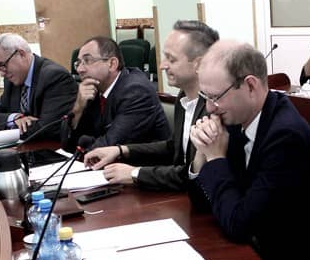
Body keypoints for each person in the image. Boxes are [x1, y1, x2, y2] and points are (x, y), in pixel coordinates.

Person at [189, 40, 310, 260]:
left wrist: (215, 158)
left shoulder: (286, 136)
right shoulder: (236, 119)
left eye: (215, 97)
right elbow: (203, 202)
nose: (209, 108)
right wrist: (202, 153)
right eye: (204, 96)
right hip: (260, 252)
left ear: (251, 86)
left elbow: (240, 225)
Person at [84, 20, 218, 190]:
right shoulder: (184, 97)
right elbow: (173, 147)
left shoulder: (215, 108)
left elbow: (192, 174)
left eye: (171, 59)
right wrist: (121, 150)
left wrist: (135, 173)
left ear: (198, 64)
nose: (162, 66)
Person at [62, 36, 170, 152]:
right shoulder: (93, 89)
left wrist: (82, 145)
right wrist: (78, 107)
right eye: (78, 63)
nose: (80, 69)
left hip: (142, 162)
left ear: (112, 64)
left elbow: (109, 147)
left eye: (87, 61)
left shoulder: (136, 91)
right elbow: (66, 144)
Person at [0, 33, 78, 141]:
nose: (2, 74)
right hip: (24, 146)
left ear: (21, 54)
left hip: (51, 147)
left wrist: (9, 129)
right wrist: (14, 118)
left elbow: (47, 129)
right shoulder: (11, 79)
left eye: (3, 65)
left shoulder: (54, 77)